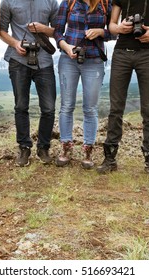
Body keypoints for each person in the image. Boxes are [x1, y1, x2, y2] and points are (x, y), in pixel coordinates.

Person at [96, 0, 149, 175]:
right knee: (116, 108)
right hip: (122, 52)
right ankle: (110, 159)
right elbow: (112, 25)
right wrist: (120, 28)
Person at [54, 0, 113, 169]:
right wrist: (66, 47)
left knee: (90, 108)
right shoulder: (69, 3)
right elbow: (57, 32)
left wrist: (101, 32)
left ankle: (88, 149)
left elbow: (114, 32)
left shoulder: (105, 4)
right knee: (66, 106)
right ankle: (66, 147)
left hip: (94, 60)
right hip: (68, 60)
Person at [0, 0, 59, 167]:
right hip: (18, 60)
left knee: (48, 108)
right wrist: (15, 43)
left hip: (44, 60)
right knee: (21, 106)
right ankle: (24, 147)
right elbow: (2, 31)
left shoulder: (51, 2)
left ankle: (43, 147)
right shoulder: (8, 2)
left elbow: (57, 31)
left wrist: (43, 29)